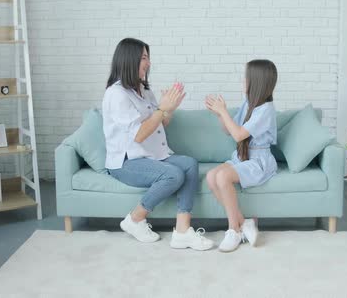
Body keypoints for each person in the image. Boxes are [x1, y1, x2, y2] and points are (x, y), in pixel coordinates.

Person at [102, 38, 213, 251]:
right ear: (129, 59)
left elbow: (161, 123)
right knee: (173, 174)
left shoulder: (144, 90)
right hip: (125, 162)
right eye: (144, 57)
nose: (148, 63)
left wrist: (168, 109)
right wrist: (162, 108)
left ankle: (182, 232)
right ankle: (135, 219)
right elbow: (140, 134)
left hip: (150, 155)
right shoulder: (116, 94)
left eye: (148, 57)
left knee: (189, 163)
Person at [204, 59, 278, 252]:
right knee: (211, 177)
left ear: (256, 81)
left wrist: (223, 112)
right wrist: (220, 114)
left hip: (258, 161)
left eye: (246, 77)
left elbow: (239, 135)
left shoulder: (266, 110)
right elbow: (229, 131)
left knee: (222, 176)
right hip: (243, 157)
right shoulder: (248, 103)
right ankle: (245, 223)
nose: (242, 80)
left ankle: (233, 230)